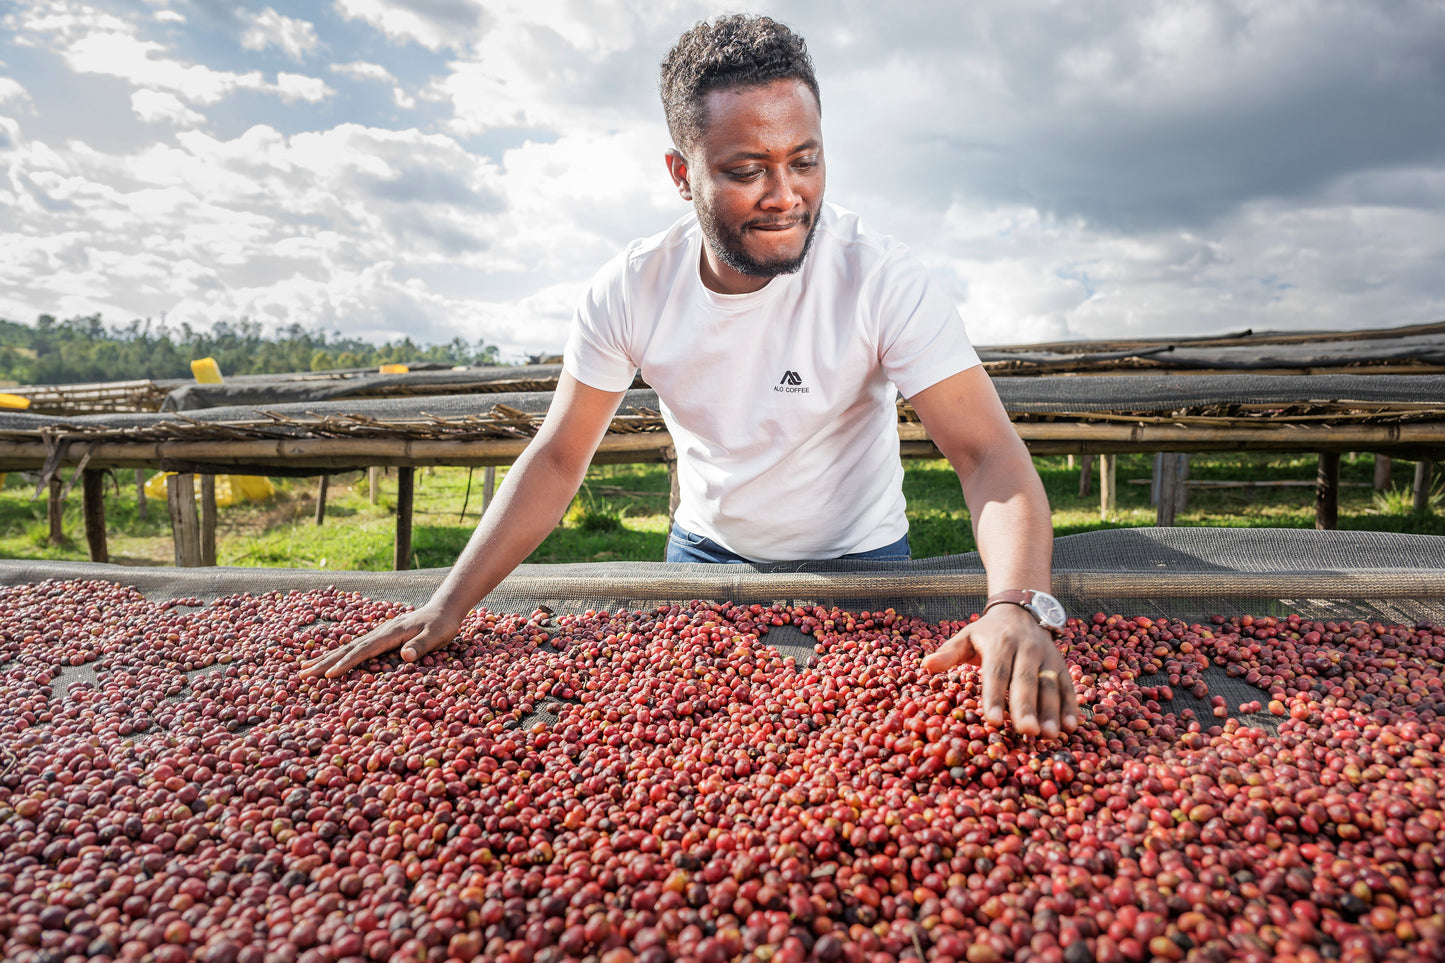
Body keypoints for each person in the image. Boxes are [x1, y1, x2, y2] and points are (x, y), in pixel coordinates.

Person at [302, 14, 1079, 740]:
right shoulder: (631, 288)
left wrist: (1016, 602)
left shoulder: (880, 278)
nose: (785, 195)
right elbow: (558, 457)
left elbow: (987, 457)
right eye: (747, 169)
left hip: (861, 565)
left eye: (804, 161)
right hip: (704, 561)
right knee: (695, 743)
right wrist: (450, 602)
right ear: (682, 173)